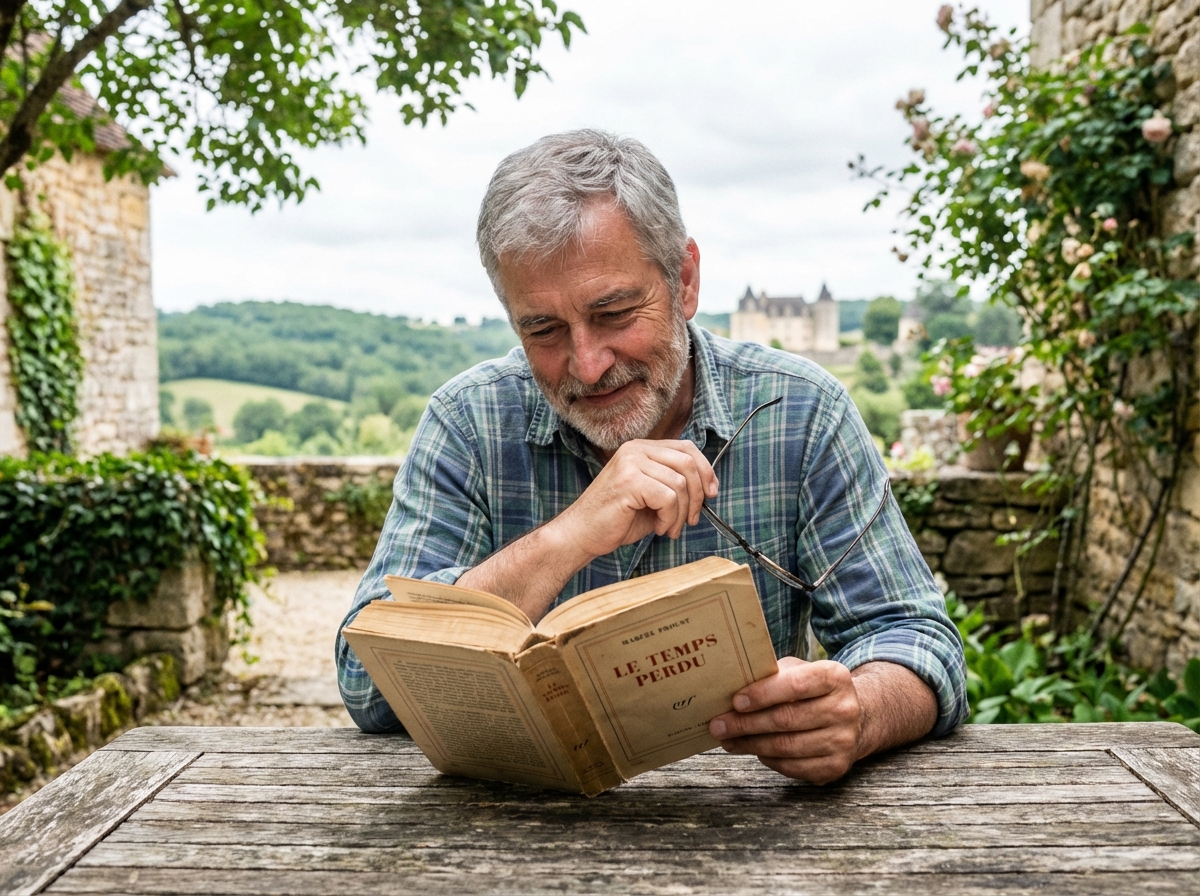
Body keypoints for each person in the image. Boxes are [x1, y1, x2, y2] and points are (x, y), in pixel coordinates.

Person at [336, 130, 967, 784]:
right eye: (543, 329)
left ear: (685, 280)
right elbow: (367, 683)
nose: (587, 363)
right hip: (516, 838)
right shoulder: (468, 421)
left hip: (750, 839)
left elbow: (917, 641)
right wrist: (565, 539)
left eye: (612, 313)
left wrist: (857, 711)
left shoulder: (801, 411)